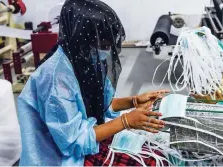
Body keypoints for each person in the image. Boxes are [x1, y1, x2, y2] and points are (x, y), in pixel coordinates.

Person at [17, 0, 169, 166]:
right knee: (151, 162)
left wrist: (133, 101)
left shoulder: (85, 58)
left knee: (158, 152)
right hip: (62, 155)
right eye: (103, 44)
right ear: (82, 39)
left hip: (87, 136)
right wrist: (126, 121)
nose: (107, 49)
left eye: (109, 43)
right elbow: (74, 143)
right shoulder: (55, 79)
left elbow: (100, 105)